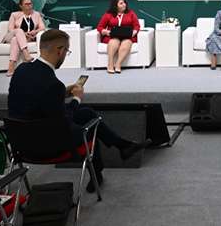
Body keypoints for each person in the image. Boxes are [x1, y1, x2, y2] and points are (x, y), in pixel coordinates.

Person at [8, 29, 150, 193]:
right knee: (91, 123)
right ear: (60, 50)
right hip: (49, 146)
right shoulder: (53, 84)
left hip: (21, 142)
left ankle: (122, 147)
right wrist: (76, 98)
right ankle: (101, 166)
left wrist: (64, 93)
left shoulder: (21, 70)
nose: (65, 55)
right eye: (67, 51)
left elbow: (36, 99)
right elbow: (65, 120)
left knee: (86, 113)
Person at [96, 0, 140, 74]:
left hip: (127, 36)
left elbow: (137, 25)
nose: (124, 5)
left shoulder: (131, 13)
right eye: (121, 3)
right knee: (114, 42)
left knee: (126, 43)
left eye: (124, 3)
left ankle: (118, 64)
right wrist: (106, 32)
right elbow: (100, 27)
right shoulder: (108, 14)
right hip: (112, 36)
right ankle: (110, 64)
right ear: (115, 5)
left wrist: (134, 32)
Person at [4, 0, 45, 76]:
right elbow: (11, 29)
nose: (29, 6)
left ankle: (11, 67)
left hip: (26, 39)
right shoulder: (14, 15)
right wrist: (23, 33)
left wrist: (35, 31)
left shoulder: (36, 14)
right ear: (21, 6)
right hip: (12, 36)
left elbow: (42, 27)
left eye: (30, 4)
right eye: (26, 4)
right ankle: (26, 53)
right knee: (19, 31)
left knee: (15, 40)